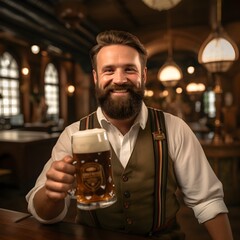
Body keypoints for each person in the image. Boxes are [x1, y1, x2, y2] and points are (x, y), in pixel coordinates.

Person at [26, 30, 233, 239]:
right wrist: (52, 195)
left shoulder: (174, 128)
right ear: (96, 77)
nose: (119, 79)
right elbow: (43, 213)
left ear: (143, 75)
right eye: (109, 70)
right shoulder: (72, 134)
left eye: (129, 69)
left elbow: (207, 201)